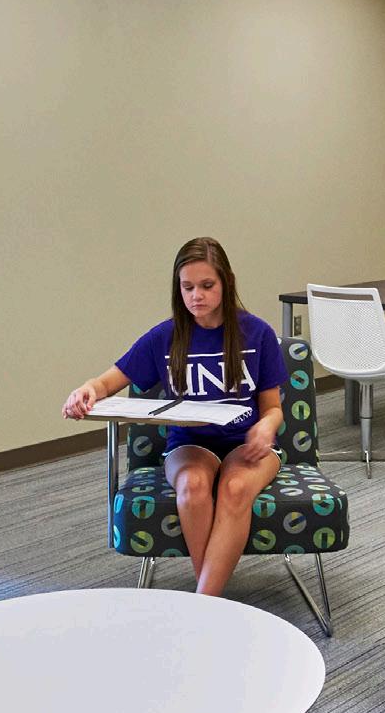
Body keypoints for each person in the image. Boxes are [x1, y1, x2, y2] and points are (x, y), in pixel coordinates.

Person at [63, 237, 287, 598]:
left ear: (226, 282)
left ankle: (202, 604)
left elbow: (273, 408)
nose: (196, 295)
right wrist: (86, 389)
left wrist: (266, 425)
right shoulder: (164, 337)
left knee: (235, 488)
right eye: (188, 287)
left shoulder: (257, 333)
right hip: (189, 444)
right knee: (192, 486)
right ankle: (210, 602)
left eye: (207, 285)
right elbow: (107, 382)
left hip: (246, 444)